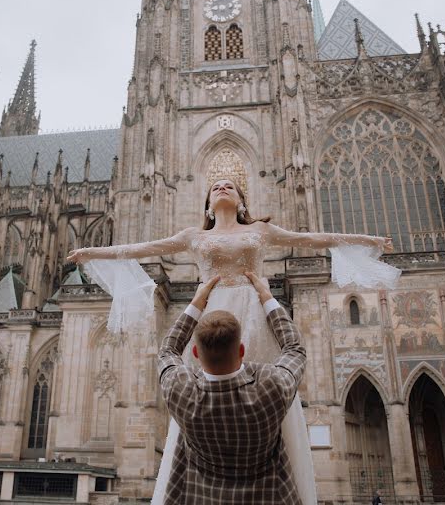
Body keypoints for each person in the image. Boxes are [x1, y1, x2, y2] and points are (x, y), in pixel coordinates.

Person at [68, 178, 394, 504]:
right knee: (208, 392)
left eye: (230, 186)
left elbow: (314, 239)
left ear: (241, 201)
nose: (222, 187)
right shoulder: (193, 236)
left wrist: (367, 241)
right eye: (215, 187)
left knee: (268, 390)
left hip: (256, 312)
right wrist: (92, 252)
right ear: (208, 205)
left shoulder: (262, 231)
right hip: (213, 312)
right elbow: (141, 248)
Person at [156, 270, 304, 503]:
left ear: (195, 353)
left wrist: (197, 300)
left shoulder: (181, 391)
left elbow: (168, 349)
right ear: (242, 349)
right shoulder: (270, 387)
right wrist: (266, 296)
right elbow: (294, 348)